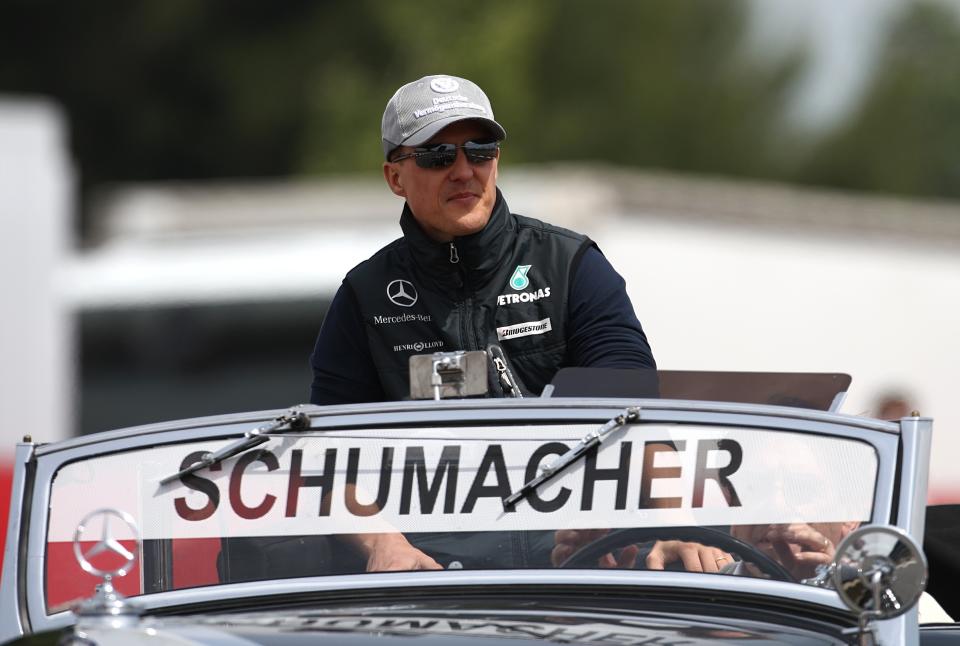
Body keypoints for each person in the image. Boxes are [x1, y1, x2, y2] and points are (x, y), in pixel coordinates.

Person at [309, 74, 655, 405]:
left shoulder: (570, 266)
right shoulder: (365, 297)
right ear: (395, 178)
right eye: (437, 155)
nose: (463, 171)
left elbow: (633, 417)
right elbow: (323, 450)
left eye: (480, 150)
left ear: (496, 161)